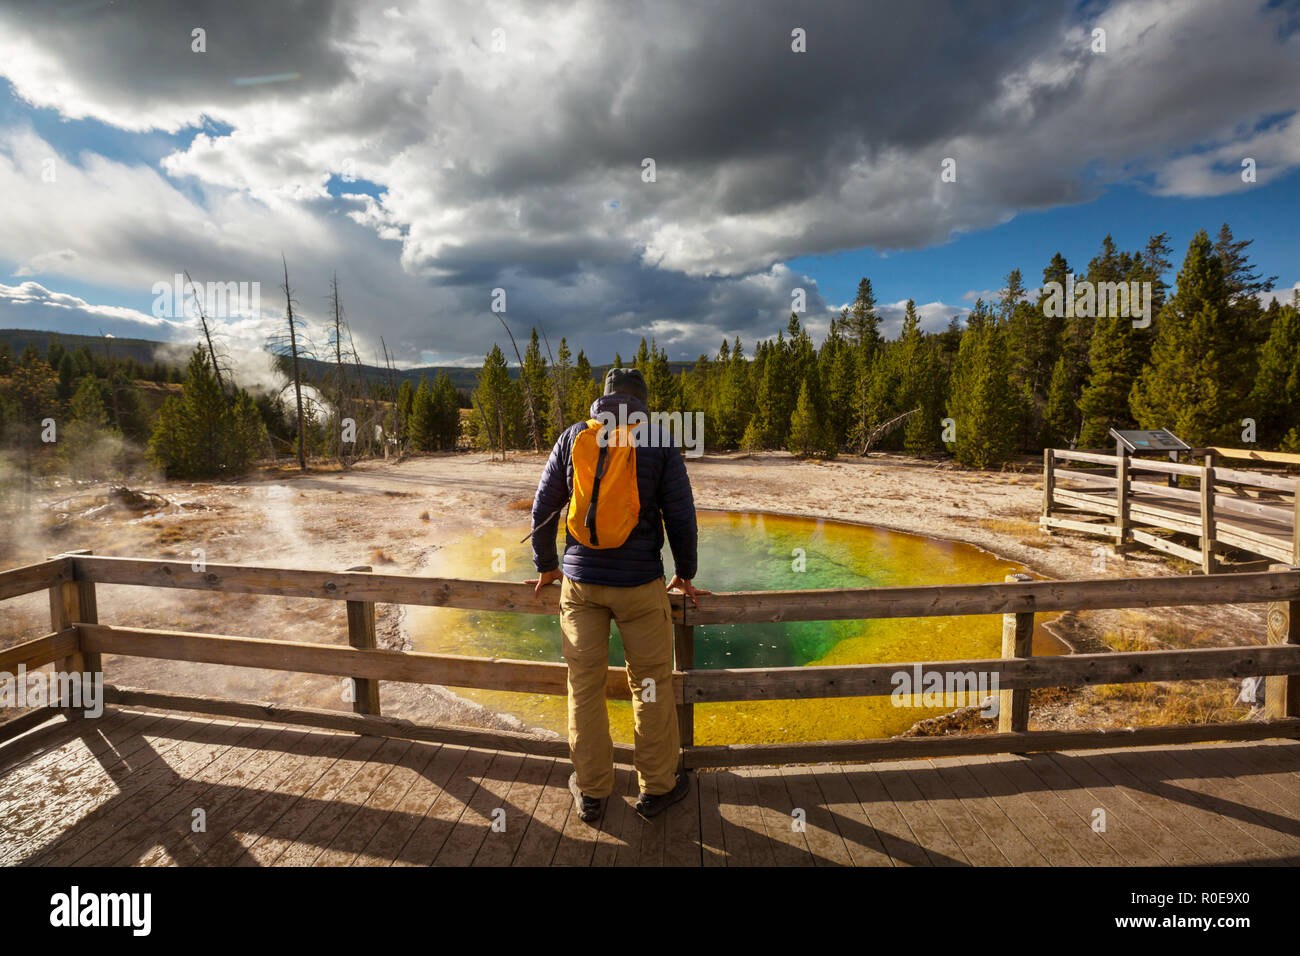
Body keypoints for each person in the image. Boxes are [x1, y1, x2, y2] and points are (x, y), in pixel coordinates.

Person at [527, 367, 707, 824]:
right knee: (649, 687)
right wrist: (685, 572)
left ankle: (591, 792)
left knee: (584, 689)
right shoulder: (660, 441)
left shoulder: (573, 438)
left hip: (581, 586)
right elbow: (681, 516)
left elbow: (544, 508)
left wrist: (547, 566)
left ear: (603, 399)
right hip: (640, 585)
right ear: (643, 401)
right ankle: (658, 789)